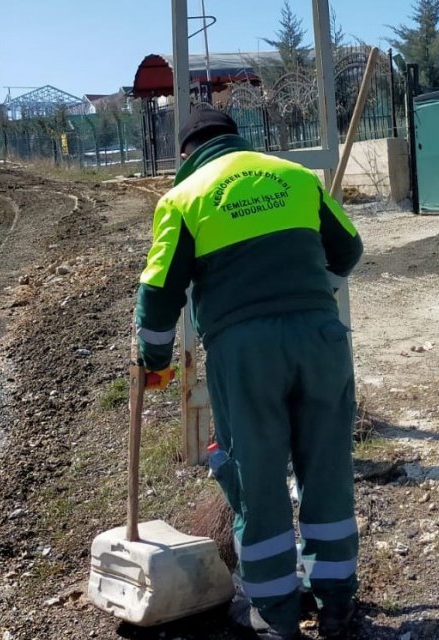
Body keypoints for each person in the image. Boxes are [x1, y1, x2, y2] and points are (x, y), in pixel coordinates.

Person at [134, 104, 364, 640]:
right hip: (321, 340)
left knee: (256, 480)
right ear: (237, 140)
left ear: (187, 153)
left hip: (246, 351)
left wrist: (155, 359)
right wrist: (310, 293)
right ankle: (335, 607)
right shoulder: (294, 177)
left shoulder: (183, 198)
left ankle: (275, 617)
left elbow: (159, 290)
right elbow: (349, 249)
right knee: (327, 469)